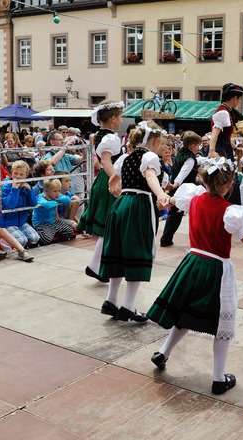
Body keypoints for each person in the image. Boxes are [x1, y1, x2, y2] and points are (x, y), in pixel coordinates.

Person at [146, 158, 243, 395]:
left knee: (184, 312)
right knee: (222, 324)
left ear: (203, 181)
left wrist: (165, 200)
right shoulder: (231, 212)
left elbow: (172, 201)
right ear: (230, 184)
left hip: (192, 263)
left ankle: (163, 352)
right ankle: (218, 378)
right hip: (217, 268)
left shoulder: (192, 199)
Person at [98, 121, 170, 323]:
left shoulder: (125, 158)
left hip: (121, 205)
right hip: (139, 204)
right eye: (161, 143)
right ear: (154, 141)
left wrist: (117, 192)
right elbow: (149, 176)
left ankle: (111, 300)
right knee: (138, 250)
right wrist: (161, 194)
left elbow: (113, 180)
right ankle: (128, 306)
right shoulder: (149, 157)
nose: (162, 147)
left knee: (118, 250)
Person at [77, 100, 125, 283]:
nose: (121, 120)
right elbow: (105, 161)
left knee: (108, 228)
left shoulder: (100, 135)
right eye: (120, 116)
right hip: (108, 180)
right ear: (113, 118)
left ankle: (97, 265)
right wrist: (116, 179)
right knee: (109, 226)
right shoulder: (111, 138)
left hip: (104, 179)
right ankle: (95, 266)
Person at [160, 131, 204, 247]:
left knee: (175, 215)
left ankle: (166, 239)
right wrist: (175, 184)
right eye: (198, 145)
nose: (199, 147)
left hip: (179, 187)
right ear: (192, 146)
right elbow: (183, 173)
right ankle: (166, 239)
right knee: (176, 215)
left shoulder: (181, 153)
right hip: (183, 189)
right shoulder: (189, 158)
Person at [209, 83, 243, 205]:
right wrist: (212, 151)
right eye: (239, 99)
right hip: (221, 150)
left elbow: (224, 136)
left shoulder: (226, 111)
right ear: (234, 98)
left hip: (225, 148)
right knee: (226, 180)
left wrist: (235, 148)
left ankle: (230, 208)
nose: (239, 102)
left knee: (228, 180)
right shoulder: (223, 112)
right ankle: (230, 209)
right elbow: (215, 132)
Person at [0, 160, 40, 248]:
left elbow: (34, 204)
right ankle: (5, 240)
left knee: (35, 238)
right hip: (7, 223)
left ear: (26, 175)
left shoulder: (26, 186)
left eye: (21, 174)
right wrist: (14, 189)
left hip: (22, 222)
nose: (18, 176)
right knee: (22, 240)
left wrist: (29, 190)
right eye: (15, 173)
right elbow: (11, 205)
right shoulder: (6, 186)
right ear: (11, 173)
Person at [32, 178, 75, 246]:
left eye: (59, 191)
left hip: (53, 222)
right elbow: (46, 205)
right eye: (55, 191)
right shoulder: (40, 198)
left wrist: (55, 199)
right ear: (46, 191)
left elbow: (67, 199)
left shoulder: (55, 196)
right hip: (41, 223)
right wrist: (55, 202)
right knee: (46, 239)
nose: (57, 193)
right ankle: (39, 233)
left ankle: (54, 234)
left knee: (69, 231)